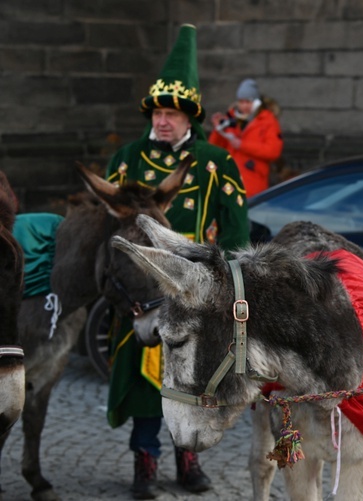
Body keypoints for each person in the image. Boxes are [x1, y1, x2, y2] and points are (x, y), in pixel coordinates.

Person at [104, 24, 250, 500]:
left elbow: (236, 233)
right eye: (158, 113)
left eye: (172, 114)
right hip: (138, 296)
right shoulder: (126, 159)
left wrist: (219, 287)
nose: (163, 121)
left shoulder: (215, 162)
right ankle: (145, 460)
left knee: (192, 379)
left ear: (190, 119)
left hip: (192, 296)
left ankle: (188, 457)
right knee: (147, 383)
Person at [208, 78, 283, 198]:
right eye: (241, 102)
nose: (244, 106)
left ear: (256, 102)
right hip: (228, 181)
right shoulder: (231, 117)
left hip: (253, 183)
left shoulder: (268, 120)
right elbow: (213, 147)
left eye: (248, 102)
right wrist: (218, 129)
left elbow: (273, 151)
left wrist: (242, 145)